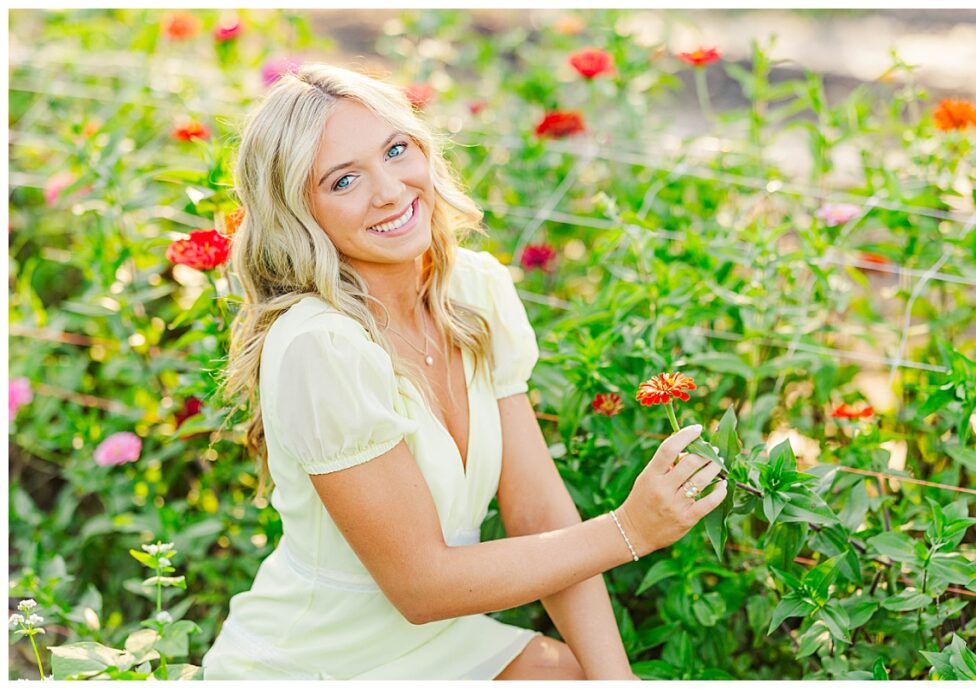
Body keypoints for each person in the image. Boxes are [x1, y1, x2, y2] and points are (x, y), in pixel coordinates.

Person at [201, 63, 728, 681]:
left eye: (396, 150)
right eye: (344, 180)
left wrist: (617, 680)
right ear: (299, 214)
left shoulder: (472, 291)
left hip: (444, 640)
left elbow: (536, 514)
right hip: (316, 662)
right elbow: (422, 587)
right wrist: (630, 530)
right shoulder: (321, 346)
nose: (391, 191)